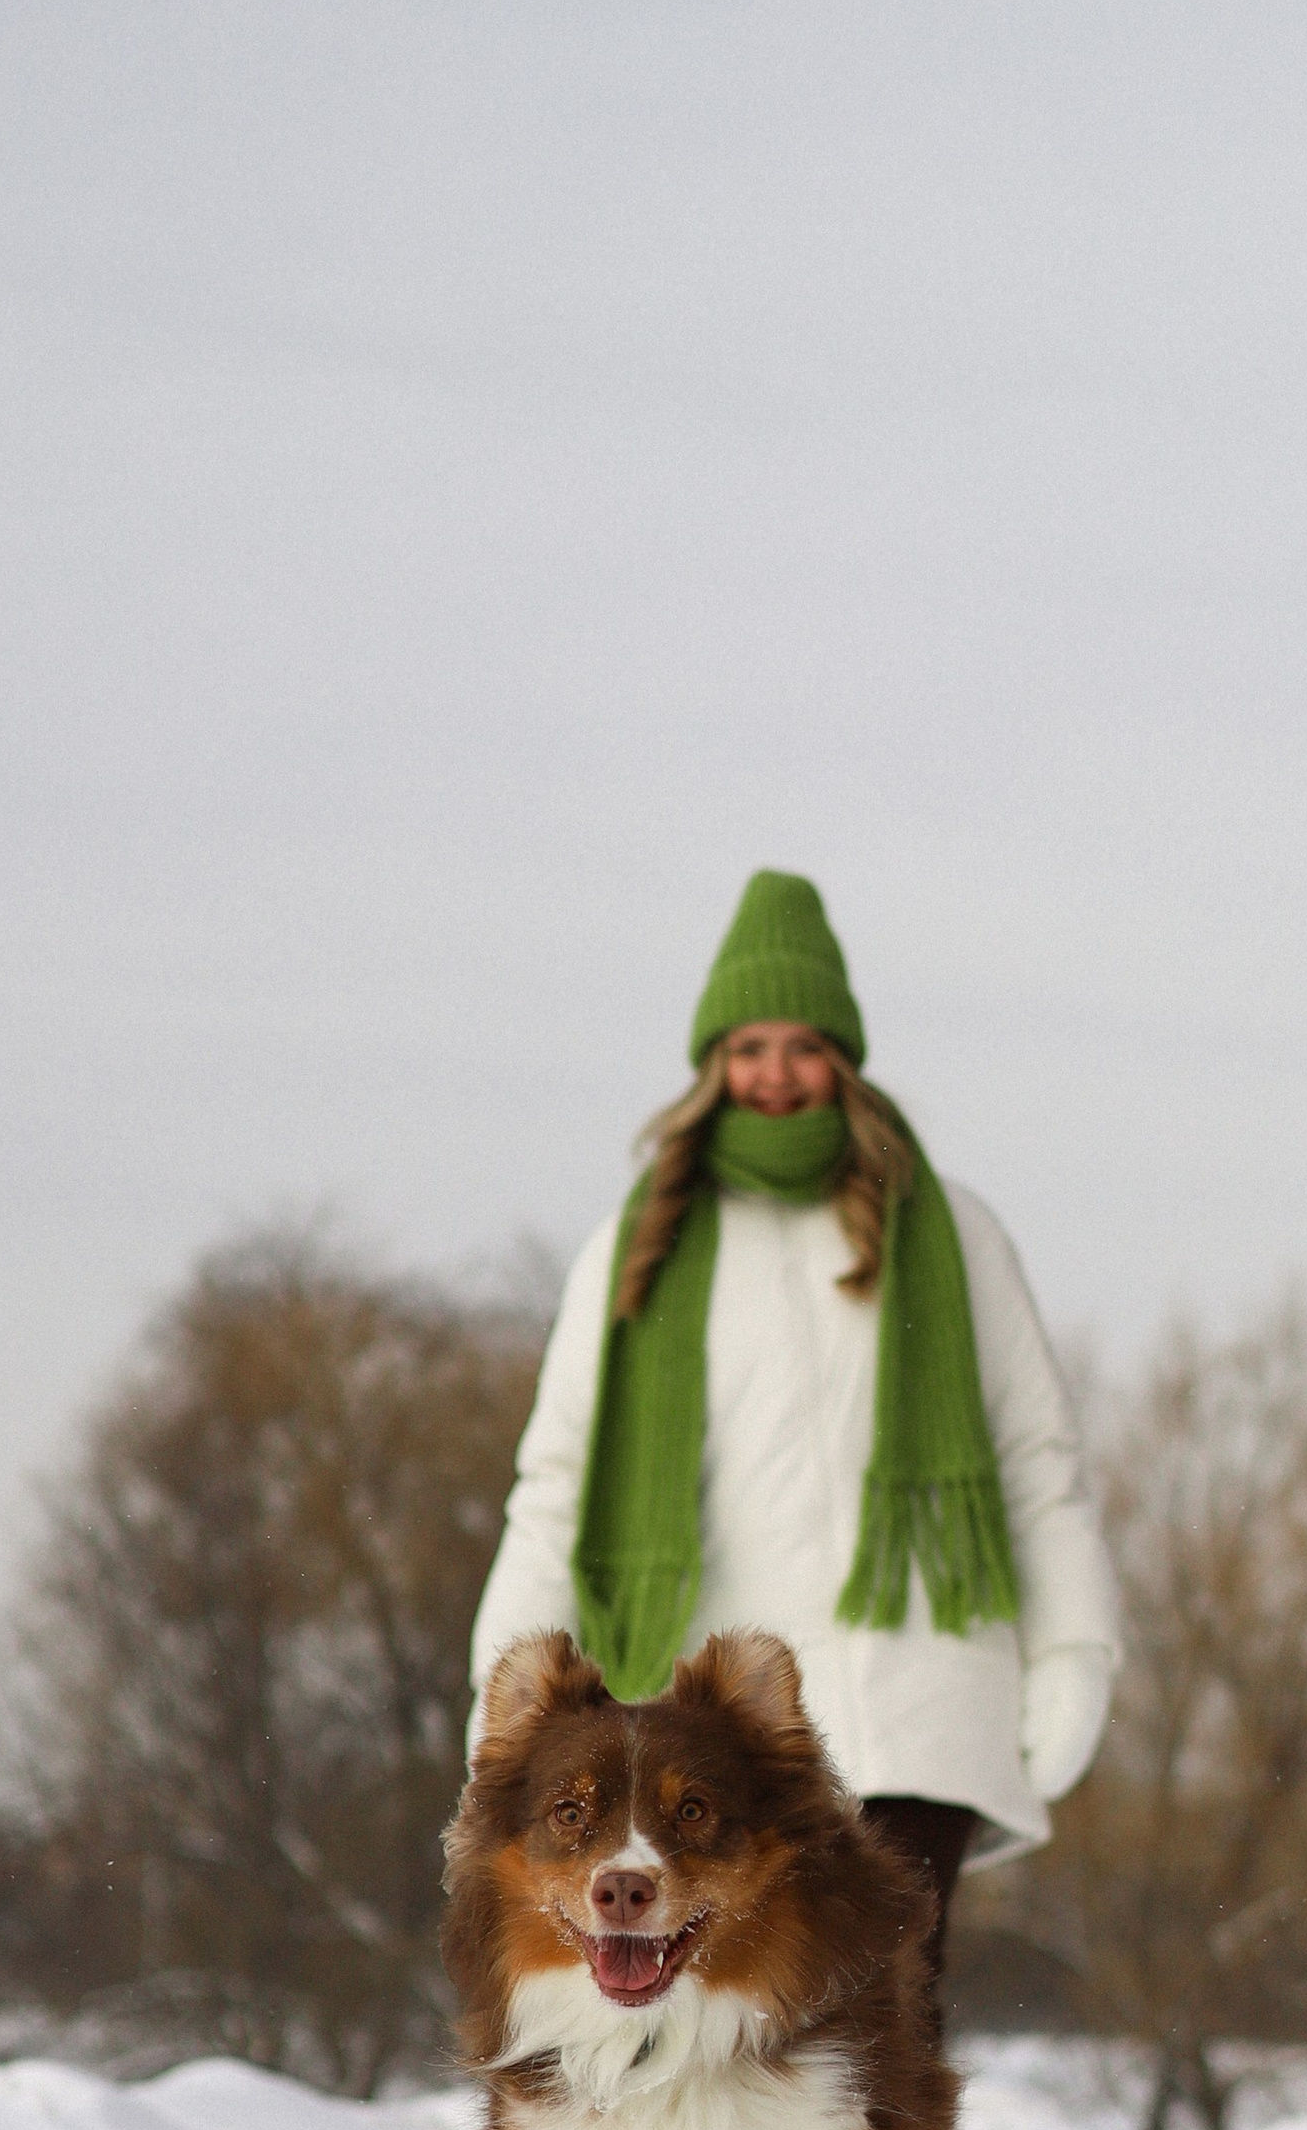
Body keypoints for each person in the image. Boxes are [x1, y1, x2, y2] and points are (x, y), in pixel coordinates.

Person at [469, 868, 1117, 2044]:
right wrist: (499, 1694)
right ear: (714, 1063)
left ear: (844, 1058)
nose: (775, 1073)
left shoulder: (953, 1231)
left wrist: (1073, 1648)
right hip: (714, 1733)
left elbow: (1035, 1455)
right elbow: (557, 1483)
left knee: (886, 2035)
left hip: (921, 1697)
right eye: (750, 1045)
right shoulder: (635, 1248)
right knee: (714, 2049)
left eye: (802, 1044)